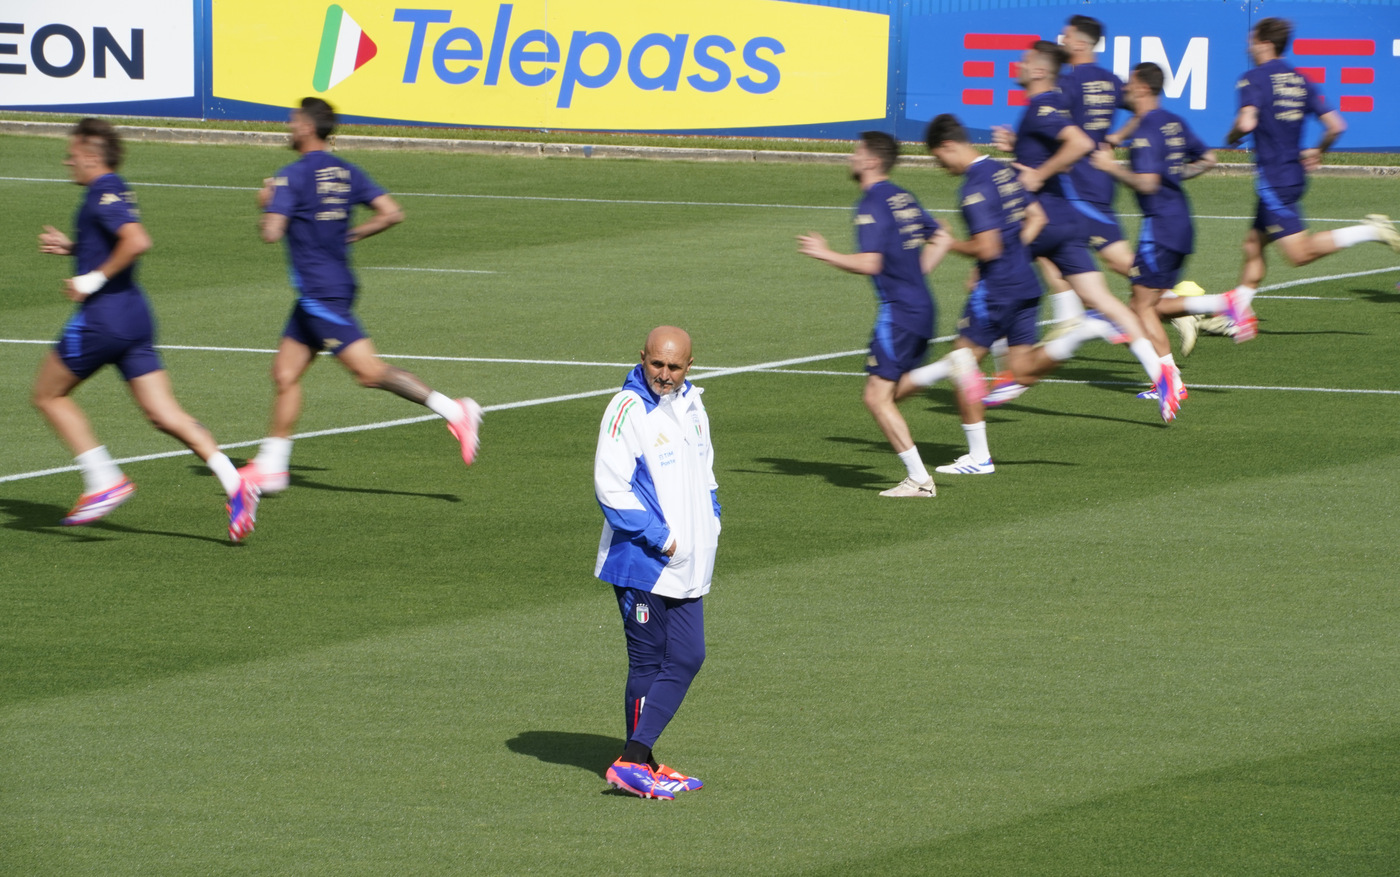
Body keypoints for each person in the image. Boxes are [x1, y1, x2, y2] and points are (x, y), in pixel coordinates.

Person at [238, 97, 482, 494]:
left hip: (321, 293)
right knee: (284, 373)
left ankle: (456, 410)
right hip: (328, 288)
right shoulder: (346, 171)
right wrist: (351, 234)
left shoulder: (291, 176)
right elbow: (391, 213)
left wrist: (266, 203)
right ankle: (274, 465)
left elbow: (271, 233)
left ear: (306, 128)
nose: (289, 126)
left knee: (367, 372)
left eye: (293, 120)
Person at [32, 118, 259, 541]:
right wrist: (74, 248)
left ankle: (104, 480)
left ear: (88, 154)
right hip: (135, 316)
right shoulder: (114, 189)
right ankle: (236, 482)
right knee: (164, 415)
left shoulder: (102, 190)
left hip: (104, 318)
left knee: (47, 394)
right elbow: (115, 239)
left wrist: (90, 280)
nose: (67, 162)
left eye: (71, 154)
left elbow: (137, 241)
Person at [987, 40, 1168, 411]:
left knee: (988, 281)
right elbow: (1062, 152)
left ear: (1038, 70)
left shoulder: (1041, 106)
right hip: (1067, 220)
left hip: (1043, 221)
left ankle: (1012, 372)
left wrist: (1037, 174)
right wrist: (1019, 149)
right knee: (1102, 299)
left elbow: (1078, 143)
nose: (1017, 66)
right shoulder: (1051, 105)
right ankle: (1164, 375)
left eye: (1023, 61)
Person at [594, 326, 719, 800]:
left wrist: (712, 523)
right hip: (643, 560)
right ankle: (635, 762)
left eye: (674, 367)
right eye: (657, 365)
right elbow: (611, 486)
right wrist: (662, 539)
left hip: (690, 561)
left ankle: (638, 759)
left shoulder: (692, 404)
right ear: (642, 358)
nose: (664, 375)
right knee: (648, 661)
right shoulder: (626, 409)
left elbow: (705, 473)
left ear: (690, 366)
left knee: (688, 655)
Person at [1219, 17, 1400, 337]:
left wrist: (1231, 136)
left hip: (1274, 179)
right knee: (1253, 244)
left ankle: (1370, 231)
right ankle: (1240, 313)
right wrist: (1318, 151)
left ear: (1263, 43)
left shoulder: (1253, 79)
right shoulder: (1300, 80)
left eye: (1252, 39)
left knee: (1298, 254)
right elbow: (1336, 125)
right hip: (1291, 174)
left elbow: (1246, 123)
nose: (1248, 44)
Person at [797, 131, 955, 497]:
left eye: (856, 152)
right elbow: (943, 236)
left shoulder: (871, 204)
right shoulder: (903, 196)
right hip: (922, 305)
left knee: (876, 397)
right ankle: (946, 369)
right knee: (889, 393)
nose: (852, 157)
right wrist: (917, 273)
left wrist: (825, 253)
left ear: (870, 160)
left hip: (899, 312)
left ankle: (919, 479)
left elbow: (871, 262)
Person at [1091, 63, 1216, 410]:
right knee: (1146, 304)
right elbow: (1208, 159)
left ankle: (1219, 308)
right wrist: (1175, 175)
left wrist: (1110, 167)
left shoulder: (1146, 130)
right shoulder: (1173, 121)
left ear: (1143, 88)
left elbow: (1146, 182)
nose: (1125, 91)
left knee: (1142, 308)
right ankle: (1168, 377)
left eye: (1130, 84)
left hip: (1158, 227)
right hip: (1181, 222)